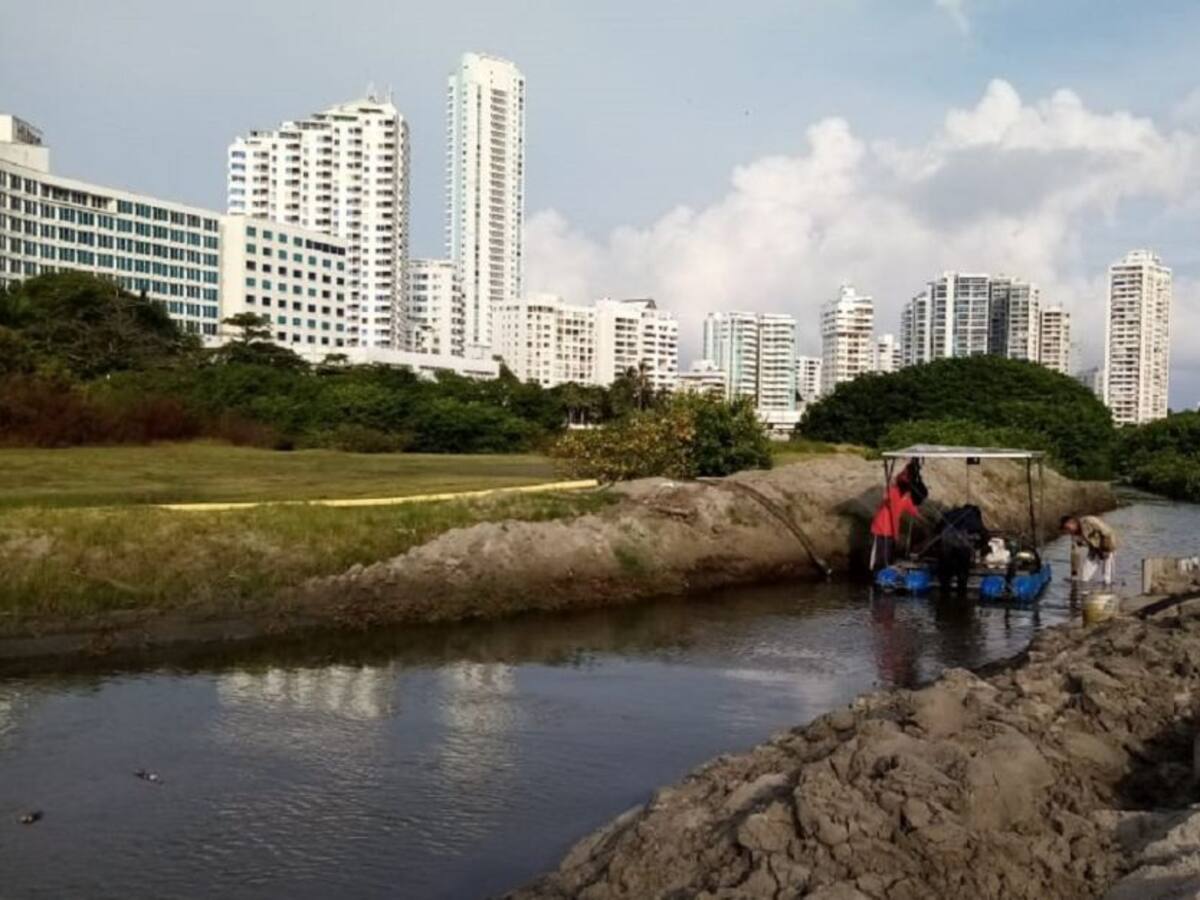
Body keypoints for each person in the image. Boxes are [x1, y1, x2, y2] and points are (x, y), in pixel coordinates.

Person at [870, 469, 922, 571]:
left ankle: (887, 568)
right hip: (881, 528)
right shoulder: (893, 491)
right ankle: (877, 570)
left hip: (892, 530)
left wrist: (920, 517)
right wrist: (887, 498)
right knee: (880, 554)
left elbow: (912, 508)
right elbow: (886, 498)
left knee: (888, 552)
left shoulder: (906, 497)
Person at [1060, 515, 1117, 586]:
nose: (1068, 531)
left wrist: (1106, 549)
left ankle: (1108, 588)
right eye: (1066, 530)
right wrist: (1074, 572)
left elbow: (1107, 532)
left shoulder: (1090, 521)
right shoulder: (1074, 536)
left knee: (1107, 579)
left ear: (1072, 523)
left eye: (1068, 528)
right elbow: (1075, 554)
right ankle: (1086, 593)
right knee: (1084, 578)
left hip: (1108, 546)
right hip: (1094, 549)